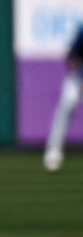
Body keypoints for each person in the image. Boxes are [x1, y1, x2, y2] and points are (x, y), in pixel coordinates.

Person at [44, 25, 83, 172]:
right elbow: (71, 56)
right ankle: (54, 151)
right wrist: (78, 78)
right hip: (78, 80)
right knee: (65, 105)